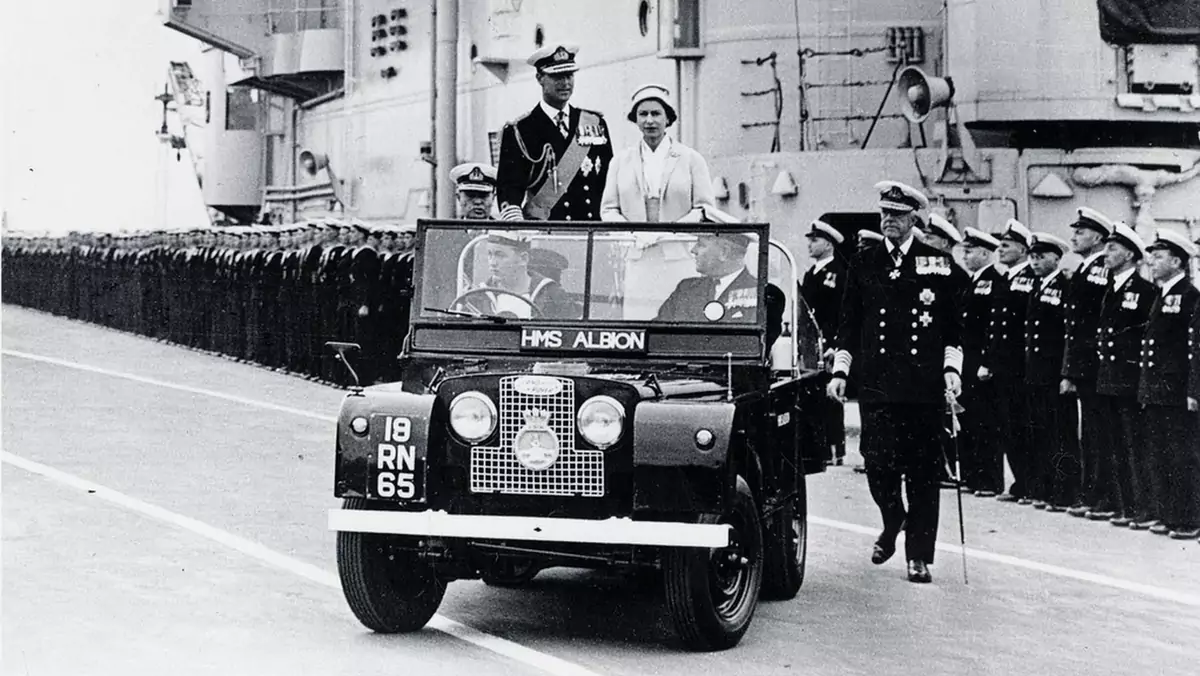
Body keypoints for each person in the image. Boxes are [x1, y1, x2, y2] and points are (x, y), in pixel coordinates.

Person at [827, 180, 964, 584]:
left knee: (923, 471)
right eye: (884, 213)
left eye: (898, 215)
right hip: (878, 384)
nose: (889, 220)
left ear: (914, 219)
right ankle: (893, 520)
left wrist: (951, 369)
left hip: (922, 386)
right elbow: (848, 325)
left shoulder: (936, 263)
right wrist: (841, 371)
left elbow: (953, 328)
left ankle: (918, 555)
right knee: (878, 465)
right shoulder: (863, 262)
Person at [496, 44, 612, 222]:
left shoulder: (595, 123)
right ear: (540, 78)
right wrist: (519, 228)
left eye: (569, 75)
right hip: (545, 234)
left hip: (590, 231)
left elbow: (608, 181)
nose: (565, 83)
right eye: (557, 76)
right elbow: (509, 189)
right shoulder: (520, 130)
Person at [1136, 230, 1199, 539]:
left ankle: (1188, 518)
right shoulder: (1162, 294)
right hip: (1158, 390)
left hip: (1176, 392)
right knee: (1159, 454)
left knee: (1181, 456)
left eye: (1159, 257)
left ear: (1177, 261)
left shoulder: (1189, 295)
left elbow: (1192, 349)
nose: (1152, 261)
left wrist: (1192, 391)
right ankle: (1168, 514)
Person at [1092, 222, 1154, 527]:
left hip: (1129, 381)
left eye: (1113, 248)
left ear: (1129, 254)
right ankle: (1123, 505)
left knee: (1134, 447)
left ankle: (1143, 507)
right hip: (1109, 380)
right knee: (1114, 445)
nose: (1106, 253)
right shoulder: (1111, 288)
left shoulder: (1145, 291)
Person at [1060, 207, 1114, 518]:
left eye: (1081, 232)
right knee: (1091, 431)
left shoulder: (1097, 271)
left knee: (1098, 432)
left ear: (1097, 237)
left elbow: (1089, 323)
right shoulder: (1085, 269)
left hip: (1094, 364)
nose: (1074, 236)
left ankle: (1100, 494)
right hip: (1086, 364)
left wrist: (1075, 368)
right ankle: (1092, 492)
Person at [599, 84, 715, 222]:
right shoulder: (620, 162)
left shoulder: (692, 160)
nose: (649, 121)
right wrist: (632, 235)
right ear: (635, 119)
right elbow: (609, 210)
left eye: (656, 114)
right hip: (633, 242)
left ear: (667, 118)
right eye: (643, 114)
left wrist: (673, 233)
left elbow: (704, 210)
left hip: (679, 241)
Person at [1023, 233, 1079, 511]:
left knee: (1061, 433)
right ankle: (1044, 487)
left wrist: (1066, 373)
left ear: (1056, 258)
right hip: (1036, 373)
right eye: (1032, 256)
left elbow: (1067, 332)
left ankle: (1065, 492)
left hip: (1054, 372)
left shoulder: (1063, 286)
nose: (1035, 261)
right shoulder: (1037, 286)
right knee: (1041, 432)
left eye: (1041, 256)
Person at [983, 219, 1037, 504]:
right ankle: (1019, 483)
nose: (1000, 250)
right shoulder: (1007, 279)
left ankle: (1028, 483)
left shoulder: (1028, 279)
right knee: (1007, 426)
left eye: (1005, 245)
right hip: (1004, 366)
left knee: (1020, 426)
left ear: (1022, 248)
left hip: (1018, 367)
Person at [957, 227, 1004, 497]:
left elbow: (991, 327)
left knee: (985, 422)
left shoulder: (992, 281)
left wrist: (986, 360)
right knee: (969, 420)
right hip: (967, 361)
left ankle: (988, 479)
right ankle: (973, 476)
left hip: (978, 363)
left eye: (970, 250)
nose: (966, 255)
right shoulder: (974, 281)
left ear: (986, 253)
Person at [800, 219, 847, 465]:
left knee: (830, 397)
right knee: (813, 396)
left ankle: (834, 449)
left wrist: (836, 344)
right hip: (811, 344)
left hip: (828, 344)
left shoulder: (838, 273)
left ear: (828, 244)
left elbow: (841, 312)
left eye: (814, 240)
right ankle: (819, 447)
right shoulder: (812, 273)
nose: (809, 244)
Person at [471, 231, 574, 319]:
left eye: (500, 255)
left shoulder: (551, 294)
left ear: (523, 259)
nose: (492, 262)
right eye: (489, 254)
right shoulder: (478, 296)